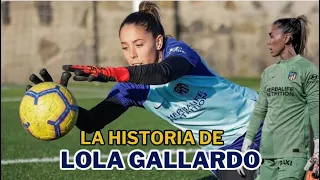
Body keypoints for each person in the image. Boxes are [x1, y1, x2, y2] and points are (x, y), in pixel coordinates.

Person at [27, 1, 262, 179]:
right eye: (125, 47)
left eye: (139, 45)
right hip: (220, 148)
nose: (132, 54)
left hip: (258, 121)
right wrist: (61, 103)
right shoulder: (131, 87)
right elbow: (92, 122)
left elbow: (162, 73)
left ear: (158, 42)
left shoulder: (177, 52)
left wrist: (108, 73)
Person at [237, 15, 319, 180]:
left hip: (293, 155)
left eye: (272, 36)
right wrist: (246, 145)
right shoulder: (269, 73)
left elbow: (315, 108)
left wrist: (318, 145)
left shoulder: (307, 70)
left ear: (287, 38)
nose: (268, 42)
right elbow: (260, 110)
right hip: (267, 154)